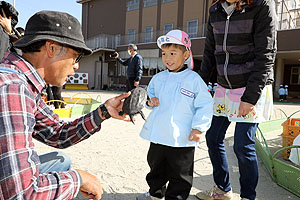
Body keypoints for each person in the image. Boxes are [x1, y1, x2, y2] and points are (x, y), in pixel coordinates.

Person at [0, 10, 131, 200]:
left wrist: (103, 112)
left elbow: (57, 133)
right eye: (76, 56)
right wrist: (77, 179)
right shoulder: (13, 88)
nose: (77, 66)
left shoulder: (22, 81)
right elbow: (23, 194)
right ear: (51, 48)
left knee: (61, 161)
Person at [196, 0, 277, 200]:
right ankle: (223, 190)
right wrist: (197, 87)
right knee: (213, 137)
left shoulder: (262, 5)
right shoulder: (215, 10)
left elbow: (266, 53)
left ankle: (248, 197)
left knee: (242, 144)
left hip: (252, 85)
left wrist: (249, 98)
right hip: (225, 86)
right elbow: (209, 52)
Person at [137, 30, 213, 200]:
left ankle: (176, 197)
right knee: (155, 167)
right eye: (164, 53)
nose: (167, 58)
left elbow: (205, 105)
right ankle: (155, 192)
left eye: (173, 53)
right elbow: (147, 97)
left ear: (186, 54)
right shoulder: (158, 78)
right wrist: (150, 101)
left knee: (180, 174)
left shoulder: (193, 79)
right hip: (158, 135)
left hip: (182, 137)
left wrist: (198, 128)